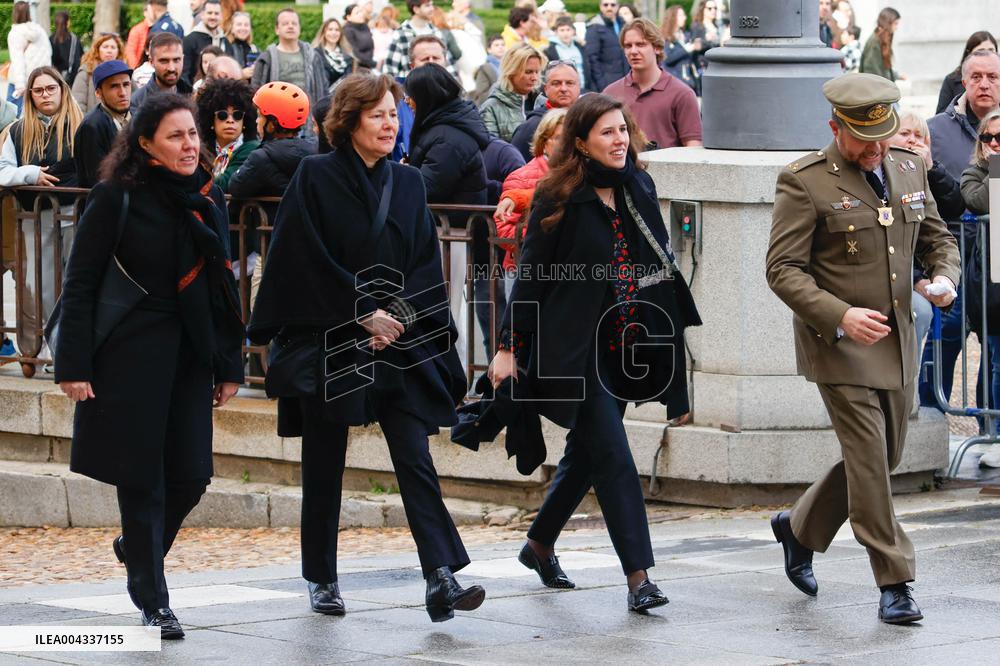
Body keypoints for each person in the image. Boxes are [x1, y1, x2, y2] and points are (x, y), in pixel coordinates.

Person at [248, 72, 486, 622]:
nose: (389, 123)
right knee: (325, 461)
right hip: (333, 339)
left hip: (397, 342)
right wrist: (362, 315)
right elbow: (300, 259)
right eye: (376, 114)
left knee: (414, 455)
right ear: (349, 120)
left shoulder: (408, 184)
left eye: (393, 114)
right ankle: (322, 577)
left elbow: (426, 265)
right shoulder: (315, 175)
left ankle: (441, 576)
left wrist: (396, 320)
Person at [488, 92, 698, 612]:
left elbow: (657, 266)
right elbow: (532, 276)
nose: (620, 140)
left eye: (623, 130)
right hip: (575, 349)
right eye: (607, 132)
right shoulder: (556, 197)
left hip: (627, 344)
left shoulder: (638, 186)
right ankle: (639, 578)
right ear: (580, 143)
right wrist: (508, 347)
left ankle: (538, 544)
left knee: (586, 454)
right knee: (613, 455)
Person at [766, 73, 960, 625]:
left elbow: (937, 240)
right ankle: (895, 580)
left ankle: (798, 528)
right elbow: (782, 269)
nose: (875, 150)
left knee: (884, 456)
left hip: (896, 340)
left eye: (884, 137)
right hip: (840, 344)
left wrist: (943, 278)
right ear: (835, 128)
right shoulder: (803, 181)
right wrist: (840, 315)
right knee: (872, 462)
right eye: (863, 140)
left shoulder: (906, 165)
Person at [55, 92, 244, 639]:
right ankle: (153, 597)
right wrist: (73, 363)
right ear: (145, 144)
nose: (190, 146)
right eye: (176, 136)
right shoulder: (116, 196)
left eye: (193, 135)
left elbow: (220, 289)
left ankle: (136, 547)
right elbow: (82, 280)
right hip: (129, 355)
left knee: (191, 475)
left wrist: (228, 364)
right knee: (142, 479)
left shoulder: (206, 199)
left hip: (188, 354)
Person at [919, 49, 1000, 414]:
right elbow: (972, 200)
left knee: (995, 352)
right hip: (950, 259)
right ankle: (927, 424)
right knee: (943, 344)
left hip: (994, 262)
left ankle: (991, 430)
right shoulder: (935, 130)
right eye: (977, 76)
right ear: (963, 81)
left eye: (993, 77)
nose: (984, 84)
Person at [0, 66, 83, 366]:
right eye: (39, 90)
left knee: (76, 280)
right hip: (37, 216)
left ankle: (73, 352)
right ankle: (60, 349)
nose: (46, 95)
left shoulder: (80, 125)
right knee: (43, 285)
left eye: (51, 88)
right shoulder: (19, 130)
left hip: (76, 213)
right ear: (31, 96)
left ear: (62, 90)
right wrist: (30, 173)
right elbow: (2, 169)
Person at [962, 112, 1000, 463]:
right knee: (997, 362)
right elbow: (981, 201)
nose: (994, 144)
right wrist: (998, 167)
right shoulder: (975, 174)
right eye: (988, 138)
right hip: (992, 290)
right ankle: (995, 434)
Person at [604, 18, 702, 149]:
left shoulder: (682, 94)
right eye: (628, 46)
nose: (633, 51)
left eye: (640, 44)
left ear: (657, 48)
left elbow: (693, 147)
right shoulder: (610, 94)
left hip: (667, 168)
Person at [495, 107, 566, 276]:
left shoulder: (581, 174)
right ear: (544, 142)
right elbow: (504, 232)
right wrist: (545, 237)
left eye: (570, 139)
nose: (566, 145)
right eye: (558, 138)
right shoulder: (520, 177)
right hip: (524, 268)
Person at [251, 9, 326, 113]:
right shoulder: (266, 58)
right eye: (285, 23)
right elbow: (256, 91)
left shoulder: (314, 57)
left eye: (294, 23)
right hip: (277, 118)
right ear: (277, 29)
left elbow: (323, 89)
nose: (290, 26)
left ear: (299, 28)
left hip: (309, 119)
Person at [74, 60, 133, 188]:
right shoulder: (92, 126)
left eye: (126, 84)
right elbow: (98, 180)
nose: (123, 92)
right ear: (98, 93)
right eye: (114, 86)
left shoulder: (137, 116)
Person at [196, 77, 257, 192]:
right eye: (222, 115)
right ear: (210, 120)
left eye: (237, 115)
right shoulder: (202, 148)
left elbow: (224, 184)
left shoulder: (251, 149)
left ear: (245, 121)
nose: (230, 120)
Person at [511, 59, 580, 161]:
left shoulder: (588, 119)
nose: (563, 89)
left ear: (579, 87)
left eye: (569, 83)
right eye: (556, 83)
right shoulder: (531, 127)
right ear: (546, 89)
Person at [479, 43, 545, 142]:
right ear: (511, 71)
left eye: (537, 72)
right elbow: (491, 150)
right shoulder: (490, 108)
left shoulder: (544, 103)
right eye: (528, 72)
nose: (534, 78)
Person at [381, 0, 453, 80]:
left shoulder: (436, 32)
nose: (432, 8)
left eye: (432, 5)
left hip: (436, 87)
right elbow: (389, 68)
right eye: (427, 5)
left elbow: (448, 64)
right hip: (410, 88)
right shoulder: (401, 34)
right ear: (416, 9)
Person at [7, 1, 53, 114]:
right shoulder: (39, 30)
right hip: (38, 78)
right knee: (37, 115)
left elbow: (18, 60)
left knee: (9, 115)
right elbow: (49, 53)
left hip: (19, 81)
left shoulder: (15, 32)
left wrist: (20, 85)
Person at [937, 31, 997, 115]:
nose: (986, 56)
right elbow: (941, 116)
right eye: (980, 51)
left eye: (991, 51)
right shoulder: (952, 80)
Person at [131, 32, 193, 114]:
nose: (171, 68)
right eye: (164, 61)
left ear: (183, 59)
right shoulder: (139, 102)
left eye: (176, 60)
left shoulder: (191, 94)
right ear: (151, 62)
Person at [72, 33, 127, 115]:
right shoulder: (86, 72)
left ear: (118, 51)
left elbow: (135, 101)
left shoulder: (125, 73)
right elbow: (77, 104)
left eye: (113, 47)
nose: (109, 51)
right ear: (97, 50)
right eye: (105, 47)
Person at [182, 0, 234, 84]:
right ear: (202, 15)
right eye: (209, 13)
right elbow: (184, 73)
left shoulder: (225, 42)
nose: (213, 17)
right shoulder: (190, 40)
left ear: (221, 16)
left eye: (216, 13)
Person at [585, 0, 627, 92]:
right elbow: (592, 59)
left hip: (625, 79)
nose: (609, 8)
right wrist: (601, 84)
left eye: (612, 5)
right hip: (606, 82)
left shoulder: (623, 24)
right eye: (606, 5)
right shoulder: (594, 26)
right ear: (600, 6)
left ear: (617, 6)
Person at [660, 4, 699, 93]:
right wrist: (686, 50)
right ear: (672, 18)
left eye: (684, 15)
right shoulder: (665, 37)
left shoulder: (687, 35)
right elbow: (667, 58)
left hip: (689, 83)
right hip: (672, 84)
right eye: (681, 15)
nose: (684, 18)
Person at [859, 7, 904, 82]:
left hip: (881, 86)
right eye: (895, 24)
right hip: (876, 87)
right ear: (888, 23)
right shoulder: (875, 41)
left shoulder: (882, 39)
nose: (897, 28)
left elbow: (884, 69)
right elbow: (870, 70)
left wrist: (897, 76)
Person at [544, 16, 588, 92]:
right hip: (564, 90)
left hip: (583, 87)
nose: (565, 33)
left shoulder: (580, 46)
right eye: (562, 30)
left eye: (568, 30)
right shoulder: (550, 49)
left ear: (573, 31)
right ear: (556, 32)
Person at [313, 18, 356, 91]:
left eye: (337, 30)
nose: (334, 33)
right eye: (330, 29)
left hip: (343, 98)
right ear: (324, 32)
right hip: (323, 99)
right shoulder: (316, 54)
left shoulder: (348, 57)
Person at [689, 0, 723, 73]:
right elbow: (695, 46)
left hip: (717, 65)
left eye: (715, 8)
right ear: (703, 10)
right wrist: (706, 39)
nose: (713, 11)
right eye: (710, 8)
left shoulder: (717, 26)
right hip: (704, 66)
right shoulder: (697, 26)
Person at [50, 11, 83, 86]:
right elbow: (80, 58)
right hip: (73, 79)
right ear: (67, 23)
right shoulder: (74, 39)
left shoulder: (51, 39)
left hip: (55, 78)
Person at [472, 34, 504, 106]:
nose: (500, 47)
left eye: (503, 44)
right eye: (496, 45)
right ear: (489, 49)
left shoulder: (508, 65)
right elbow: (481, 93)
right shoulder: (485, 68)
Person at [226, 11, 258, 81]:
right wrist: (240, 75)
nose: (243, 28)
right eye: (239, 24)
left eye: (246, 25)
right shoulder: (226, 47)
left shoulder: (254, 49)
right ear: (232, 28)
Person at [343, 3, 377, 69]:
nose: (361, 14)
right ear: (348, 17)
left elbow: (370, 46)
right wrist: (372, 63)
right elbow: (353, 52)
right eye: (357, 13)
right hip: (355, 66)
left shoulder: (365, 26)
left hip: (369, 64)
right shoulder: (347, 30)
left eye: (361, 11)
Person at [126, 3, 155, 68]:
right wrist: (136, 68)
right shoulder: (137, 29)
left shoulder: (160, 28)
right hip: (139, 68)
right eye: (152, 10)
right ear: (145, 13)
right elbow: (130, 52)